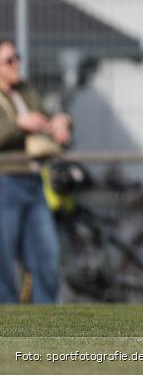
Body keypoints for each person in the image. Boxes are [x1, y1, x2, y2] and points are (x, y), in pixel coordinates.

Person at [0, 38, 71, 304]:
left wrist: (62, 121)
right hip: (5, 182)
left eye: (17, 57)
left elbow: (49, 115)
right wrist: (21, 124)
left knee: (46, 256)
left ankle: (45, 324)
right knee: (3, 261)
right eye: (9, 60)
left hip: (33, 181)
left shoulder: (25, 91)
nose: (16, 63)